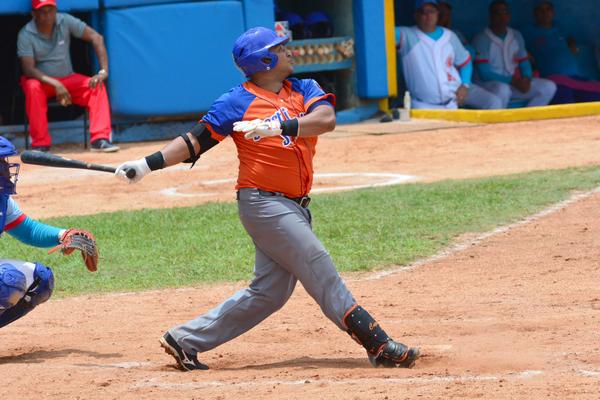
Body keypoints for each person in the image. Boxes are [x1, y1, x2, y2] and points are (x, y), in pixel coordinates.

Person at [114, 27, 420, 371]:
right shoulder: (236, 101)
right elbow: (194, 141)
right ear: (264, 60)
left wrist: (280, 127)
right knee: (317, 262)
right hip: (263, 204)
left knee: (269, 294)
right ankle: (377, 344)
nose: (290, 51)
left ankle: (184, 340)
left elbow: (326, 120)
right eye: (281, 48)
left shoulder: (304, 89)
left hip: (295, 205)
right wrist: (145, 164)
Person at [0, 136, 98, 328]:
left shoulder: (2, 200)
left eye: (4, 161)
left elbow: (28, 230)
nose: (5, 168)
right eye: (0, 162)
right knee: (8, 279)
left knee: (41, 280)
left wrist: (63, 235)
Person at [17, 0, 119, 153]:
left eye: (50, 10)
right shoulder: (25, 33)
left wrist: (103, 71)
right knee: (32, 86)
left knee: (95, 86)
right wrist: (55, 84)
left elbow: (96, 37)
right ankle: (40, 144)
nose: (48, 15)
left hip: (67, 78)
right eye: (42, 11)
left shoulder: (64, 20)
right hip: (41, 81)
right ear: (34, 14)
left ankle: (100, 139)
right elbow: (28, 69)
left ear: (56, 10)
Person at [396, 0, 503, 110]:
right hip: (424, 105)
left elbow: (465, 62)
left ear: (437, 13)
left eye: (431, 11)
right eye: (423, 12)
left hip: (454, 96)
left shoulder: (450, 36)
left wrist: (465, 85)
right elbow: (381, 32)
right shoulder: (406, 35)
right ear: (416, 15)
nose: (428, 15)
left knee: (494, 102)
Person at [471, 0, 557, 108]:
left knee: (549, 86)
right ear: (491, 16)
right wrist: (514, 81)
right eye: (498, 13)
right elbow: (485, 74)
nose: (502, 16)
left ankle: (528, 118)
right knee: (503, 89)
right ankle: (500, 122)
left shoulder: (516, 35)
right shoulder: (481, 39)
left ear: (509, 15)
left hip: (513, 83)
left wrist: (526, 78)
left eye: (505, 12)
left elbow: (524, 63)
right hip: (488, 84)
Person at [522, 0, 600, 104]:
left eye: (548, 9)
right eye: (540, 10)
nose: (545, 13)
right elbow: (515, 43)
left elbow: (570, 36)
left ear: (553, 12)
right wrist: (525, 52)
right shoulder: (528, 31)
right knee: (566, 102)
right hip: (554, 79)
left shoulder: (559, 28)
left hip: (577, 78)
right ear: (535, 14)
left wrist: (572, 43)